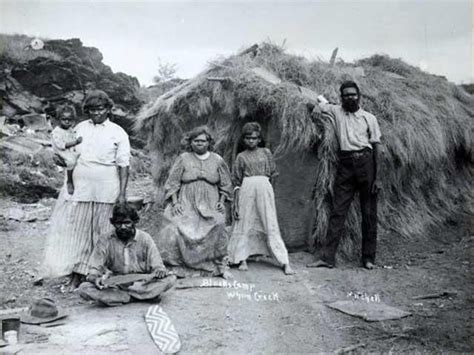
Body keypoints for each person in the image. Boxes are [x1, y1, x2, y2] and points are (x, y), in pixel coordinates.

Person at [38, 90, 131, 288]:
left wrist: (122, 194)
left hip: (107, 187)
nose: (97, 113)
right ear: (87, 110)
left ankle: (99, 272)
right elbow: (66, 152)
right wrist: (62, 164)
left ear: (108, 109)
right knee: (77, 231)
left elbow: (124, 165)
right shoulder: (79, 128)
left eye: (101, 109)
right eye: (92, 109)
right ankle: (76, 274)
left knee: (103, 230)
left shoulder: (117, 132)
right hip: (80, 186)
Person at [308, 81, 382, 270]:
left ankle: (368, 258)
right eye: (346, 95)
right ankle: (327, 258)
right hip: (345, 165)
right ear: (341, 97)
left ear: (359, 96)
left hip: (366, 164)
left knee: (369, 214)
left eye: (353, 94)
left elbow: (376, 148)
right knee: (337, 211)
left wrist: (377, 177)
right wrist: (319, 105)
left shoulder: (369, 118)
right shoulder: (336, 111)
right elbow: (318, 102)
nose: (350, 97)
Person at [157, 126, 233, 278]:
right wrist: (175, 202)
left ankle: (219, 265)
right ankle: (176, 265)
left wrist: (221, 201)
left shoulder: (217, 160)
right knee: (174, 223)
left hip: (210, 202)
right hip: (186, 201)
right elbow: (173, 182)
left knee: (218, 223)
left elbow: (225, 183)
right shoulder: (183, 158)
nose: (199, 144)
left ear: (209, 142)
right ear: (190, 143)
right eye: (196, 141)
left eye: (203, 141)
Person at [228, 122, 294, 275]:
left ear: (259, 139)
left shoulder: (266, 153)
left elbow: (273, 174)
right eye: (248, 138)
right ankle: (242, 257)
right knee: (245, 221)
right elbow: (237, 181)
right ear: (244, 140)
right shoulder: (241, 157)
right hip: (247, 188)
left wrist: (270, 192)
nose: (251, 141)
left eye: (254, 138)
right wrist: (236, 202)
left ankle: (284, 261)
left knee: (269, 221)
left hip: (264, 187)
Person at [78, 204, 176, 306]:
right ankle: (138, 297)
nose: (123, 227)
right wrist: (95, 279)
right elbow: (94, 269)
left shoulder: (145, 238)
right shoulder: (105, 240)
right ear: (113, 223)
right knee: (83, 288)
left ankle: (122, 298)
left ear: (134, 222)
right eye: (118, 223)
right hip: (116, 285)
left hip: (142, 283)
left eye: (127, 223)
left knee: (170, 279)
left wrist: (159, 271)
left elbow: (157, 265)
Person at [51, 104, 82, 195]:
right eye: (64, 119)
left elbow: (73, 136)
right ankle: (69, 181)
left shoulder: (70, 129)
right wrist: (75, 142)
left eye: (70, 119)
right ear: (59, 119)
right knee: (71, 161)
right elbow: (61, 145)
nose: (67, 122)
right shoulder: (56, 132)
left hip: (70, 150)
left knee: (82, 157)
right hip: (62, 151)